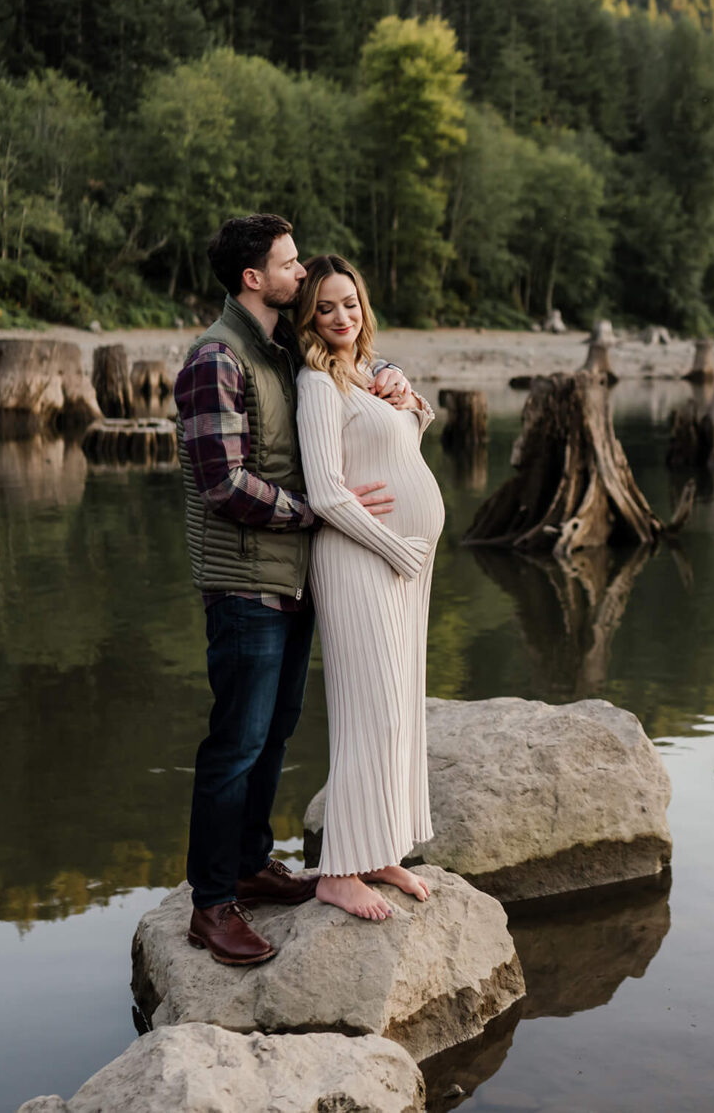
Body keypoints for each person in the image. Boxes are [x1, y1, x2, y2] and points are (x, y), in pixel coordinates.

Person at [173, 214, 416, 966]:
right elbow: (224, 484)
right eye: (288, 261)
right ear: (255, 278)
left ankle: (249, 863)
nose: (299, 267)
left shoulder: (278, 351)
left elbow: (342, 397)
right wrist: (316, 512)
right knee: (236, 742)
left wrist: (397, 386)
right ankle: (210, 905)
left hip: (294, 576)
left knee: (274, 732)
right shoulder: (215, 358)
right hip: (244, 577)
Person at [294, 254, 443, 920]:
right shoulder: (317, 384)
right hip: (359, 559)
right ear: (307, 317)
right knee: (370, 712)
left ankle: (381, 849)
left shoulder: (369, 374)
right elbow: (326, 491)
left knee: (400, 706)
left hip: (401, 562)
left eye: (349, 302)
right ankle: (338, 870)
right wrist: (396, 549)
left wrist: (412, 400)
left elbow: (405, 441)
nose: (341, 317)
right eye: (325, 307)